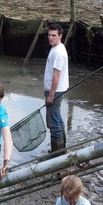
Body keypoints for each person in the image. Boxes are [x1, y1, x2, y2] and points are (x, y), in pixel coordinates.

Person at [44, 23, 69, 155]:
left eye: (54, 35)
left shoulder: (58, 52)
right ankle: (62, 150)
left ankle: (56, 154)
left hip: (55, 91)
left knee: (53, 123)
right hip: (58, 90)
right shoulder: (56, 48)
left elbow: (57, 74)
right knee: (58, 119)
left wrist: (51, 95)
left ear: (60, 36)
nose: (51, 38)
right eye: (49, 35)